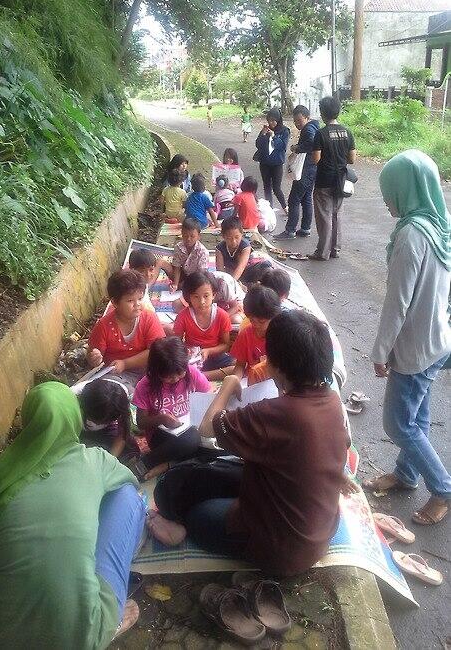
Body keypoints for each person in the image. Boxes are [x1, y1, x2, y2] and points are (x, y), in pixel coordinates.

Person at [149, 310, 347, 577]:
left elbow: (208, 427)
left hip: (281, 549)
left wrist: (229, 385)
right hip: (318, 530)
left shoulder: (278, 413)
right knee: (216, 472)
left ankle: (183, 524)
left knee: (190, 508)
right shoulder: (332, 400)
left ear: (274, 363)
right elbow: (336, 447)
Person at [0, 382, 146, 648]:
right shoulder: (94, 460)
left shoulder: (4, 471)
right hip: (80, 637)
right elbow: (130, 481)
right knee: (129, 496)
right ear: (75, 417)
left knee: (5, 535)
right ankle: (108, 622)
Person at [365, 150, 451, 525]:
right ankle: (405, 475)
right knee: (416, 415)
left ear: (406, 187)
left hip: (416, 347)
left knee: (398, 424)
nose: (385, 200)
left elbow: (398, 303)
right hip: (436, 340)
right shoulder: (437, 226)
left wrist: (380, 352)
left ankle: (443, 488)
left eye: (389, 191)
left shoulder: (412, 236)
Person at [131, 336, 210, 479]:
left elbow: (208, 399)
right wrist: (161, 419)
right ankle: (146, 463)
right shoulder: (145, 385)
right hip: (163, 437)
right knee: (192, 440)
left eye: (180, 373)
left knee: (216, 448)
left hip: (193, 426)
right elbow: (141, 422)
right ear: (156, 371)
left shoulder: (192, 373)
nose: (175, 379)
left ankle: (168, 464)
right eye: (168, 377)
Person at [87, 270, 165, 392]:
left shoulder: (149, 318)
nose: (137, 304)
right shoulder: (103, 326)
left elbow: (156, 351)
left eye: (140, 298)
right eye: (130, 301)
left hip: (149, 369)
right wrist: (94, 358)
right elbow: (94, 357)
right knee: (113, 392)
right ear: (115, 302)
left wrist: (125, 363)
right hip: (118, 375)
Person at [308, 96, 356, 260]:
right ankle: (335, 249)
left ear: (322, 113)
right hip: (341, 180)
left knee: (324, 216)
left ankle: (323, 252)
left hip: (324, 181)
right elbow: (352, 159)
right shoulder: (347, 132)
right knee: (337, 214)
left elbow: (316, 159)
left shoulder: (321, 134)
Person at [173, 270, 233, 372]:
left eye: (206, 296)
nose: (202, 302)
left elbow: (225, 345)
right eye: (196, 297)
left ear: (213, 295)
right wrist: (187, 351)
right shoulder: (183, 316)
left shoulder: (222, 316)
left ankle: (201, 376)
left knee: (235, 365)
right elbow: (177, 343)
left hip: (215, 356)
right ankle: (198, 375)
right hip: (192, 358)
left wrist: (208, 351)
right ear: (189, 297)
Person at [275, 105, 319, 240]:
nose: (297, 124)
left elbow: (311, 142)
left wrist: (297, 147)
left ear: (307, 118)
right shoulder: (315, 127)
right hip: (312, 169)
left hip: (306, 170)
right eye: (295, 121)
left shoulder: (309, 129)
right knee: (306, 198)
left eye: (299, 120)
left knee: (294, 199)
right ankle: (305, 228)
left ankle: (290, 230)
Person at [79, 376, 140, 459]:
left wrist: (110, 460)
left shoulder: (119, 399)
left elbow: (123, 433)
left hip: (103, 431)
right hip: (77, 430)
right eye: (97, 421)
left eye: (104, 421)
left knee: (131, 447)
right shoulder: (75, 399)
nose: (97, 423)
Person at [230, 285, 282, 383]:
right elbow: (240, 366)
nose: (256, 325)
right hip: (252, 381)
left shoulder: (281, 337)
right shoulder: (246, 334)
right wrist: (234, 382)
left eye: (262, 322)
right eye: (251, 320)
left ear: (274, 317)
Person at [216, 217, 271, 285]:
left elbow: (241, 267)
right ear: (223, 236)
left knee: (266, 269)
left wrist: (231, 283)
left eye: (237, 237)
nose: (233, 241)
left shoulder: (245, 246)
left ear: (242, 234)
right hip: (231, 274)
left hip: (247, 271)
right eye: (229, 238)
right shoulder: (219, 248)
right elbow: (220, 271)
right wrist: (225, 282)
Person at [255, 108, 290, 212]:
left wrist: (274, 136)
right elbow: (258, 144)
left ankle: (285, 207)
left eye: (273, 120)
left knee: (276, 188)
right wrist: (262, 134)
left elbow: (283, 146)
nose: (271, 123)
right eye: (269, 120)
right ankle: (269, 209)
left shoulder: (285, 131)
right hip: (265, 162)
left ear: (278, 120)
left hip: (277, 163)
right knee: (267, 187)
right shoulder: (266, 129)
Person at [163, 218, 210, 293]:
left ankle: (184, 286)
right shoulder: (178, 247)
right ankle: (147, 287)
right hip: (183, 274)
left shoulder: (203, 252)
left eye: (192, 236)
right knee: (160, 262)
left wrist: (184, 284)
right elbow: (177, 268)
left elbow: (201, 274)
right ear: (181, 234)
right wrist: (175, 284)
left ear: (198, 236)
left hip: (196, 278)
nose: (188, 239)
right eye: (185, 235)